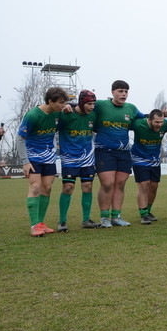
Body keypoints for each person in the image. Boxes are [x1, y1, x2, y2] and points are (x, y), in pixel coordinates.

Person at [93, 80, 145, 228]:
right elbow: (84, 108)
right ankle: (104, 217)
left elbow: (144, 118)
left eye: (126, 91)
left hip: (123, 153)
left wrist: (161, 115)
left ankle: (116, 216)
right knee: (107, 184)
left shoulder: (131, 108)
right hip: (104, 151)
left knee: (120, 184)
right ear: (112, 92)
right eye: (120, 91)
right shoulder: (101, 105)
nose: (123, 94)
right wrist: (68, 107)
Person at [17, 87, 69, 236]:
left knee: (47, 188)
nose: (62, 105)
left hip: (49, 157)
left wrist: (66, 110)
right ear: (50, 101)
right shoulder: (33, 115)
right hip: (33, 157)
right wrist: (25, 161)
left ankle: (40, 223)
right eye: (60, 102)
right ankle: (34, 226)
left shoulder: (57, 114)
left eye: (64, 102)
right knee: (35, 187)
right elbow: (20, 138)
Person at [57, 89, 100, 231]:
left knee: (87, 186)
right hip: (69, 158)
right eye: (89, 104)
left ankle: (86, 220)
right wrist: (65, 106)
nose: (92, 107)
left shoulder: (93, 115)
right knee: (68, 187)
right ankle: (62, 221)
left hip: (87, 158)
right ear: (81, 103)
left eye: (93, 104)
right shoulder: (66, 114)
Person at [131, 109, 167, 224]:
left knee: (153, 186)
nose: (160, 125)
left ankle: (148, 211)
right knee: (144, 184)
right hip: (139, 158)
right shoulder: (138, 124)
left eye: (161, 122)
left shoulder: (165, 124)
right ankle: (143, 214)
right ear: (149, 120)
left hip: (155, 160)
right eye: (157, 122)